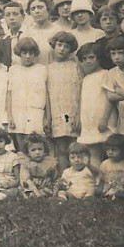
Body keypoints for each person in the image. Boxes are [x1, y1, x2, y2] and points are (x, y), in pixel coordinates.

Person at [5, 37, 49, 154]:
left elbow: (46, 95)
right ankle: (24, 171)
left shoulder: (42, 69)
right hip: (18, 112)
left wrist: (47, 117)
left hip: (36, 113)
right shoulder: (13, 70)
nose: (28, 56)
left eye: (31, 53)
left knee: (36, 147)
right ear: (19, 53)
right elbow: (9, 94)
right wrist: (9, 116)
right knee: (22, 148)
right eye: (24, 53)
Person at [45, 31, 81, 170]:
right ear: (54, 46)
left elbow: (80, 91)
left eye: (66, 46)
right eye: (59, 45)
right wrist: (48, 118)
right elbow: (47, 95)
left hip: (73, 111)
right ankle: (63, 178)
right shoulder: (48, 68)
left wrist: (78, 115)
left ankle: (77, 177)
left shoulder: (76, 67)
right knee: (60, 149)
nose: (62, 49)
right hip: (57, 113)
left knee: (74, 147)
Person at [75, 42, 111, 167]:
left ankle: (101, 180)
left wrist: (104, 118)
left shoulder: (105, 74)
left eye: (91, 58)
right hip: (87, 121)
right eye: (84, 59)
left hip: (100, 119)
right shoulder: (86, 78)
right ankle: (93, 179)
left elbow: (109, 98)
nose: (88, 61)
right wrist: (79, 119)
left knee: (101, 151)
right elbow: (82, 101)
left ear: (99, 58)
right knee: (90, 151)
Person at [101, 36, 124, 150]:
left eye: (120, 53)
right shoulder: (112, 73)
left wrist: (119, 91)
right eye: (113, 54)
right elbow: (111, 96)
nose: (116, 57)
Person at [19, 0, 55, 66]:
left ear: (48, 9)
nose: (37, 11)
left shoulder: (57, 31)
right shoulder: (26, 34)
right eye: (33, 9)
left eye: (40, 7)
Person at [19, 134, 57, 198]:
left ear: (45, 150)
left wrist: (55, 188)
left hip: (45, 187)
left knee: (49, 191)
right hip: (30, 188)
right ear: (28, 152)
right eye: (33, 150)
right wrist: (37, 193)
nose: (37, 152)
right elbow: (26, 180)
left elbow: (55, 178)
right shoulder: (26, 163)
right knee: (25, 193)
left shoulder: (49, 162)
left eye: (40, 149)